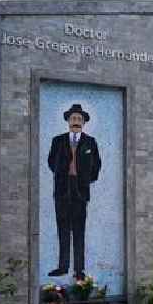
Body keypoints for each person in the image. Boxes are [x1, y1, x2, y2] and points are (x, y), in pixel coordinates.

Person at [47, 104, 101, 281]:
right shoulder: (58, 141)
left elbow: (97, 165)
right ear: (68, 121)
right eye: (73, 119)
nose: (75, 122)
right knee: (63, 229)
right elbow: (50, 162)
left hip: (80, 191)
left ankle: (79, 269)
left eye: (79, 119)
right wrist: (62, 174)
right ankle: (63, 267)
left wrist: (86, 179)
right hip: (62, 189)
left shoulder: (90, 142)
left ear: (84, 122)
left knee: (79, 231)